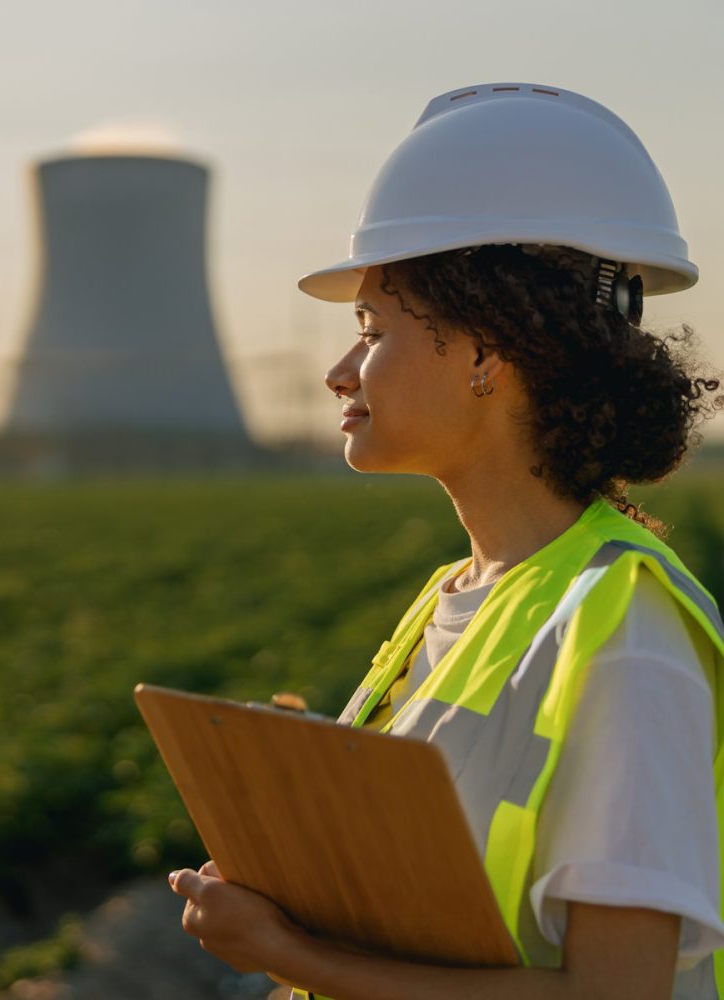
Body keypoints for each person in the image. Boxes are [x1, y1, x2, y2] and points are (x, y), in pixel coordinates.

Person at [167, 83, 724, 1000]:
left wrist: (290, 955)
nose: (339, 370)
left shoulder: (626, 640)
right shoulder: (458, 596)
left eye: (373, 330)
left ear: (486, 354)